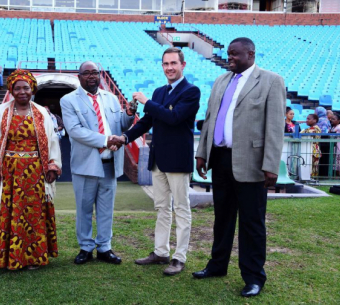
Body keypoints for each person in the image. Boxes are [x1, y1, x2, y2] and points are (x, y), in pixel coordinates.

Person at [194, 37, 286, 297]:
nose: (230, 58)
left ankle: (254, 277)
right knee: (221, 218)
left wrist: (270, 165)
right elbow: (210, 119)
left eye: (235, 55)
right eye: (229, 54)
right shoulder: (221, 80)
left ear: (251, 54)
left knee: (251, 223)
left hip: (252, 164)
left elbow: (275, 127)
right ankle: (217, 265)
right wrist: (202, 153)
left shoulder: (271, 81)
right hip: (221, 160)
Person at [113, 47, 200, 276]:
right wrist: (124, 138)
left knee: (181, 208)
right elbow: (147, 123)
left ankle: (179, 257)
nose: (169, 67)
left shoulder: (192, 92)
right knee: (161, 207)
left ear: (183, 65)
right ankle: (160, 252)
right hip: (158, 160)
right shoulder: (160, 91)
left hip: (178, 161)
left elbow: (173, 118)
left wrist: (147, 102)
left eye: (173, 63)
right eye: (165, 64)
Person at [0, 70, 62, 270]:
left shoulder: (42, 113)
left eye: (26, 87)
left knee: (33, 214)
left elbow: (52, 140)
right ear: (11, 90)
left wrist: (52, 166)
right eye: (17, 88)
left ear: (32, 89)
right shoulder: (1, 111)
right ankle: (6, 255)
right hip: (8, 171)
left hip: (35, 173)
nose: (22, 92)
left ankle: (33, 257)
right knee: (8, 212)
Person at [60, 61, 135, 265]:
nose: (92, 76)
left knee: (106, 209)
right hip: (85, 165)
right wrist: (105, 140)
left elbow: (120, 124)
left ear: (100, 76)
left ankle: (104, 247)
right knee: (84, 208)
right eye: (87, 73)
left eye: (95, 72)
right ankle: (85, 247)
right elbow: (75, 130)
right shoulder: (68, 100)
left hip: (109, 163)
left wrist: (128, 115)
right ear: (79, 77)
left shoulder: (111, 98)